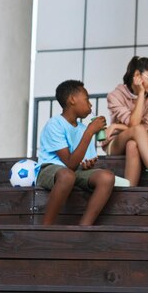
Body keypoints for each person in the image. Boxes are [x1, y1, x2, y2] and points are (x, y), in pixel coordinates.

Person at [35, 80, 115, 225]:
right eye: (87, 99)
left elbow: (79, 162)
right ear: (72, 99)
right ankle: (46, 227)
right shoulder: (55, 124)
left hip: (73, 171)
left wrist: (87, 165)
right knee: (67, 176)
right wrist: (90, 131)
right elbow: (70, 163)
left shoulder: (84, 129)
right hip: (50, 169)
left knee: (107, 177)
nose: (90, 105)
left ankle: (83, 227)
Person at [106, 56, 148, 187]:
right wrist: (141, 94)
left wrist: (117, 125)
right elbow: (135, 126)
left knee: (132, 145)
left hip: (146, 138)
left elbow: (146, 127)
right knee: (136, 132)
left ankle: (129, 194)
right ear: (137, 75)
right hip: (117, 141)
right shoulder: (115, 95)